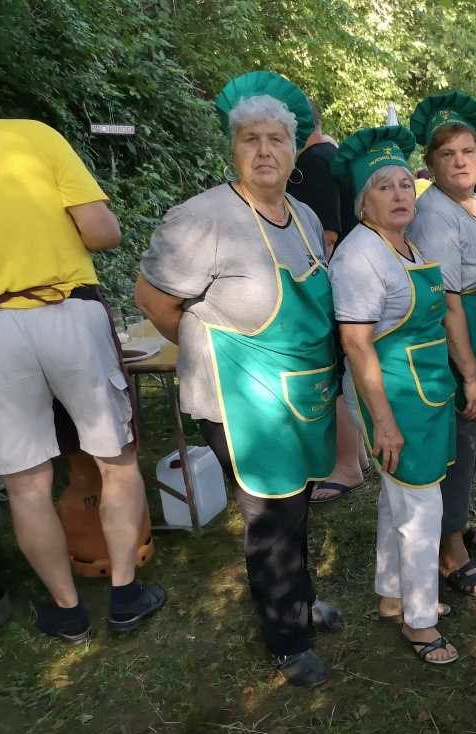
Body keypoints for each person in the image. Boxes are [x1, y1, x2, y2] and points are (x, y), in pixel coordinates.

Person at [136, 71, 339, 687]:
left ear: (294, 148)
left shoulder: (304, 216)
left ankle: (300, 601)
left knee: (297, 502)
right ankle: (286, 639)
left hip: (298, 394)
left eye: (276, 139)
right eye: (251, 139)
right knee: (270, 515)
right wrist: (208, 349)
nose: (265, 151)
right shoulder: (203, 218)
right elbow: (154, 300)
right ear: (234, 148)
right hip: (240, 397)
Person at [0, 79, 164, 643]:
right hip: (67, 310)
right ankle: (125, 595)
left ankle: (68, 611)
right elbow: (102, 232)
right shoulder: (34, 136)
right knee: (116, 461)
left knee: (26, 484)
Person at [329, 125, 458, 665]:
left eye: (406, 183)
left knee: (398, 498)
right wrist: (383, 423)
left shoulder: (406, 244)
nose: (401, 194)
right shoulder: (360, 256)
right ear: (364, 202)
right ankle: (420, 622)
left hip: (424, 391)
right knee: (421, 507)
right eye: (385, 187)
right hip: (393, 397)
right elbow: (357, 345)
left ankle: (392, 594)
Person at [407, 91, 476, 599]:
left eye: (468, 151)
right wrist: (468, 372)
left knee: (475, 439)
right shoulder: (434, 215)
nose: (460, 161)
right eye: (447, 154)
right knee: (459, 446)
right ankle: (449, 552)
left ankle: (456, 522)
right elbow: (446, 302)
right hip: (458, 341)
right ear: (430, 164)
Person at [287, 106, 370, 504]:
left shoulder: (311, 165)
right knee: (345, 369)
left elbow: (326, 235)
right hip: (354, 279)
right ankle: (358, 457)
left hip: (336, 282)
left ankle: (346, 466)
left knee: (334, 373)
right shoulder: (332, 156)